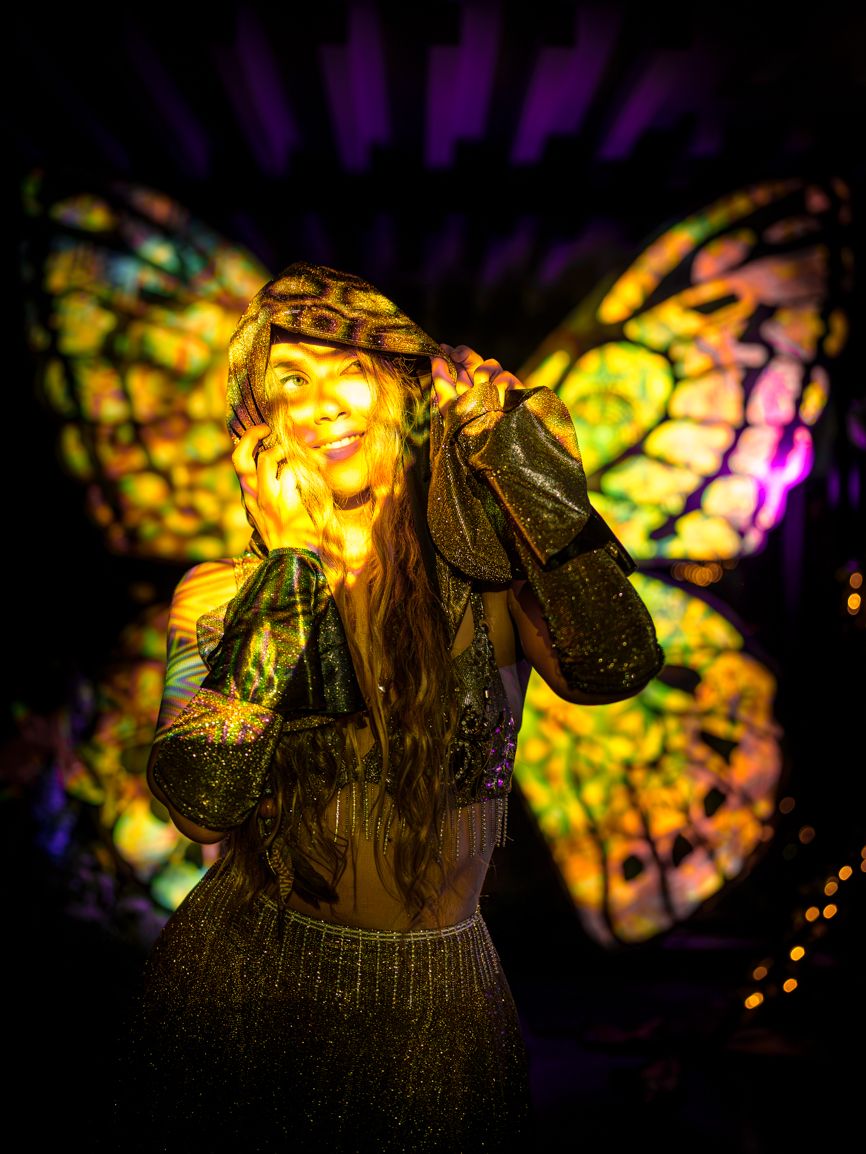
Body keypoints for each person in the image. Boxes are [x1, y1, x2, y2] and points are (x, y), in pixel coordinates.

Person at [118, 262, 664, 1152]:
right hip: (244, 983)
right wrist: (291, 572)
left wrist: (520, 464)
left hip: (436, 1003)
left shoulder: (489, 579)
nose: (322, 401)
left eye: (348, 369)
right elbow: (197, 802)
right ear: (261, 427)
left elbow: (616, 662)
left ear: (403, 394)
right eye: (290, 380)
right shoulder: (223, 594)